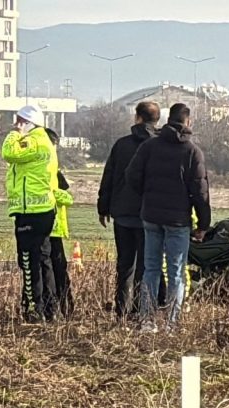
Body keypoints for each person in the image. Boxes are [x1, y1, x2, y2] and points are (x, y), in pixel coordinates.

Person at [126, 103, 210, 333]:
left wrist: (146, 196)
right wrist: (203, 224)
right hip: (178, 220)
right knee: (176, 271)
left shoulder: (149, 146)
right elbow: (201, 193)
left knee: (151, 268)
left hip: (151, 216)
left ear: (167, 119)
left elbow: (132, 175)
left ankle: (147, 320)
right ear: (188, 122)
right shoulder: (192, 151)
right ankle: (172, 324)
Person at [97, 102, 161, 319]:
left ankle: (121, 310)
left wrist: (103, 207)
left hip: (123, 214)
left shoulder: (121, 145)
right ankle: (140, 310)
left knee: (125, 265)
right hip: (149, 215)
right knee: (146, 266)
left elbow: (109, 178)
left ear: (137, 118)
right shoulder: (159, 145)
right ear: (156, 120)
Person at [2, 105, 58, 323]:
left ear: (27, 122)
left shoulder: (33, 140)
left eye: (19, 121)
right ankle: (50, 308)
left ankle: (33, 308)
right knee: (44, 258)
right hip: (43, 209)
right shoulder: (45, 141)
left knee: (28, 260)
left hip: (30, 211)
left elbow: (9, 153)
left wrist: (14, 134)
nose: (16, 126)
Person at [46, 128, 75, 320]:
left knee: (58, 268)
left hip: (55, 227)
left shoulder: (54, 170)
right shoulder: (46, 169)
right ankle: (58, 307)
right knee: (55, 269)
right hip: (50, 226)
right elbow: (64, 195)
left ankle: (64, 307)